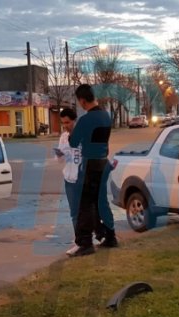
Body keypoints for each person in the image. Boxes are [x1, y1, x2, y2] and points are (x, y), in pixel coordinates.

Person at [68, 84, 117, 257]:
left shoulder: (85, 119)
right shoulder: (106, 116)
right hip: (104, 162)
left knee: (84, 204)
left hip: (89, 164)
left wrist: (70, 133)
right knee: (101, 201)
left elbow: (73, 142)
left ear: (82, 100)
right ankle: (110, 236)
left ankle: (85, 242)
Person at [57, 108, 106, 256]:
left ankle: (98, 236)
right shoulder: (64, 137)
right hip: (69, 179)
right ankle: (81, 242)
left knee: (90, 209)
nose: (66, 125)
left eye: (68, 122)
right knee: (74, 213)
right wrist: (61, 153)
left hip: (84, 178)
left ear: (75, 120)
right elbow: (61, 159)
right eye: (63, 123)